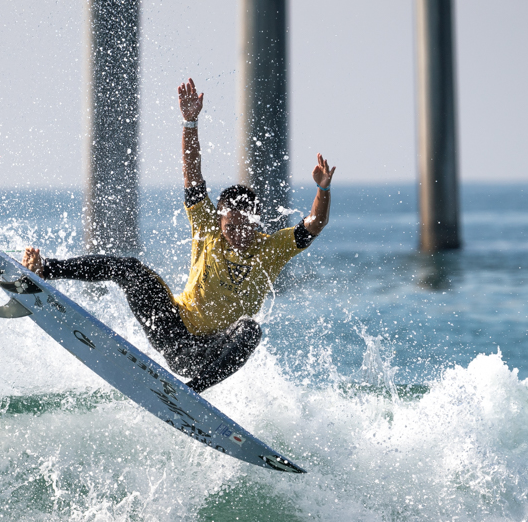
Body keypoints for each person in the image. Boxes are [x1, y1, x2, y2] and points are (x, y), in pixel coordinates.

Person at [23, 78, 335, 393]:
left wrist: (322, 190)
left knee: (250, 330)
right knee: (129, 268)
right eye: (231, 226)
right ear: (220, 220)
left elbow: (314, 224)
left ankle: (194, 391)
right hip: (171, 329)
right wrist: (190, 123)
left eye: (245, 226)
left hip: (207, 353)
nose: (238, 233)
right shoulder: (207, 226)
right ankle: (46, 269)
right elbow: (192, 173)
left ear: (256, 223)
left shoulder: (271, 248)